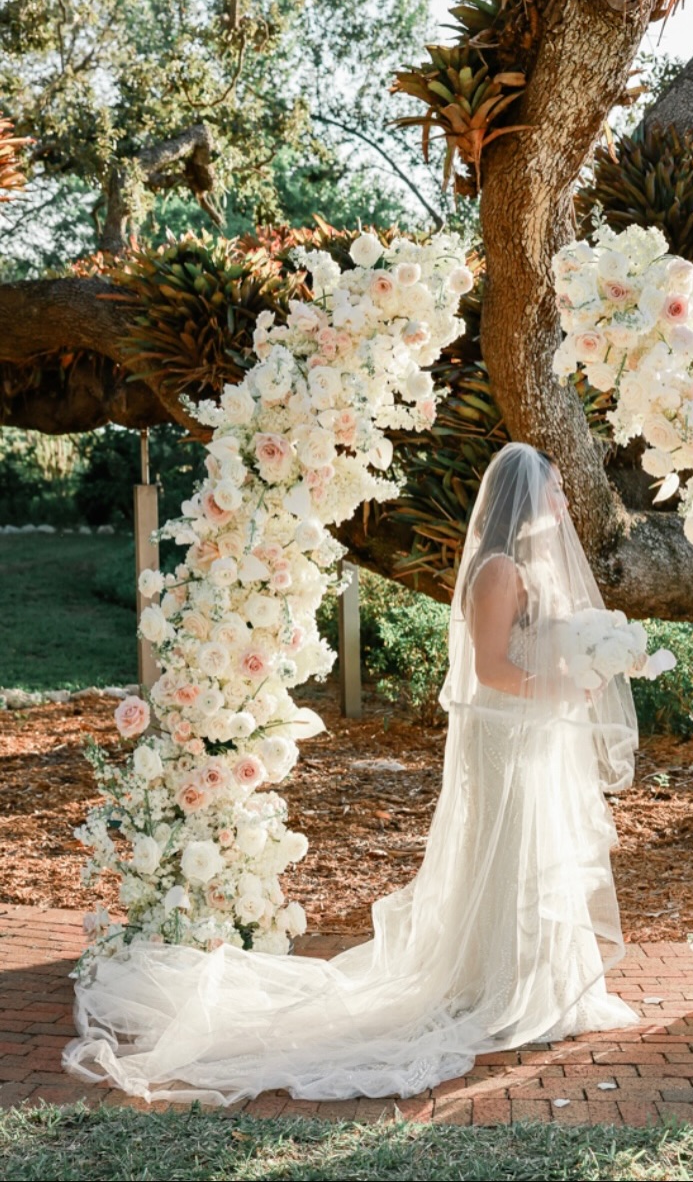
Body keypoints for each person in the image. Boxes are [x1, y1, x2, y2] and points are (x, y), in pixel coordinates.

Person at [63, 442, 641, 1105]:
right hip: (504, 741)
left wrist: (583, 675)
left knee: (537, 854)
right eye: (555, 489)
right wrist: (560, 685)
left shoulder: (541, 570)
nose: (563, 501)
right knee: (508, 855)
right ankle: (498, 988)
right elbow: (487, 669)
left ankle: (543, 983)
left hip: (533, 739)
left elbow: (540, 657)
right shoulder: (499, 571)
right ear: (523, 496)